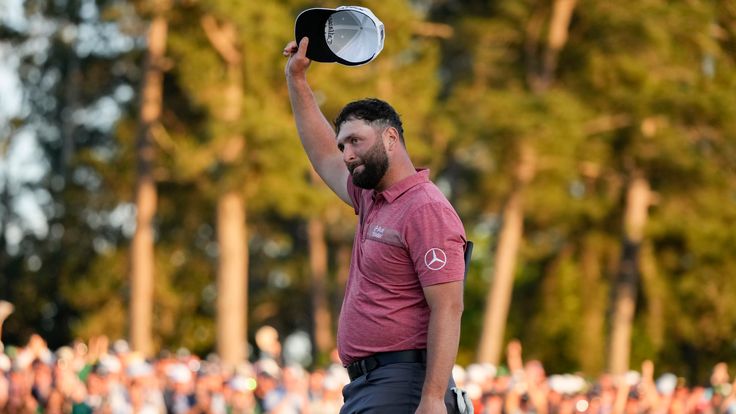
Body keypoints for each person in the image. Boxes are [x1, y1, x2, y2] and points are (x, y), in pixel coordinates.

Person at [283, 36, 468, 414]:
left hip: (404, 385)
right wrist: (297, 81)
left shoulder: (426, 209)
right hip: (369, 386)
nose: (347, 155)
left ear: (390, 138)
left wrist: (432, 398)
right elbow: (320, 153)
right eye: (343, 145)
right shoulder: (372, 197)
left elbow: (448, 307)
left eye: (355, 141)